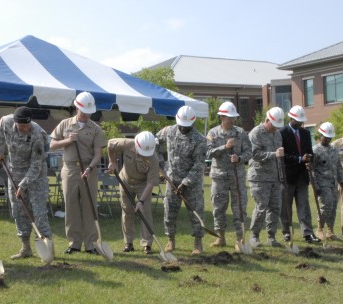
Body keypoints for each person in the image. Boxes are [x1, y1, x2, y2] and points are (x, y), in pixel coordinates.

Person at [50, 91, 107, 255]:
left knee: (89, 206)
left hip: (89, 168)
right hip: (69, 169)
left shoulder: (95, 128)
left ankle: (91, 244)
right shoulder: (65, 124)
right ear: (77, 108)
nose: (86, 115)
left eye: (89, 112)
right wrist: (68, 140)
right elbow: (52, 145)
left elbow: (98, 154)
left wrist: (90, 168)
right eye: (84, 112)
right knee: (71, 205)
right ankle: (74, 242)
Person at [0, 107, 52, 259]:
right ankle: (25, 248)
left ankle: (47, 248)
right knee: (19, 210)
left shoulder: (38, 135)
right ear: (15, 122)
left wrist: (23, 185)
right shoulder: (6, 122)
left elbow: (36, 165)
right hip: (14, 171)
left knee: (39, 212)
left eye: (27, 126)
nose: (26, 129)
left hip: (36, 175)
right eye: (22, 127)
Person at [156, 105, 207, 255]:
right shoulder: (169, 131)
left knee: (196, 212)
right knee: (169, 211)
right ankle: (170, 239)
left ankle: (198, 243)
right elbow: (155, 142)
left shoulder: (200, 140)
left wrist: (185, 183)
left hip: (192, 184)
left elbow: (199, 166)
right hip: (172, 180)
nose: (183, 129)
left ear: (193, 123)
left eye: (187, 126)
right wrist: (160, 163)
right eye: (181, 126)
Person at [206, 101, 252, 248]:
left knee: (239, 208)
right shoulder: (213, 133)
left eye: (233, 117)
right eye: (229, 117)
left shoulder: (240, 132)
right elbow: (208, 152)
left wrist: (239, 158)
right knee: (218, 207)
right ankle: (220, 237)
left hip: (237, 176)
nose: (232, 120)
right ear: (221, 117)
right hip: (219, 177)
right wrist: (224, 147)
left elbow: (249, 152)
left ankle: (240, 239)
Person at [106, 131, 159, 254]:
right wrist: (112, 161)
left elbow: (151, 183)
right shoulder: (125, 143)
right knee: (127, 211)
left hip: (143, 184)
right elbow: (110, 144)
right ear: (136, 145)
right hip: (125, 180)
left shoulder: (154, 159)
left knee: (145, 211)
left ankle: (147, 244)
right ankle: (128, 242)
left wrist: (141, 201)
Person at [279, 105, 321, 243]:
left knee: (304, 206)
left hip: (302, 176)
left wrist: (310, 158)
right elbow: (282, 156)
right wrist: (298, 159)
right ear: (291, 118)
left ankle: (308, 233)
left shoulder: (305, 133)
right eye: (297, 121)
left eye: (301, 121)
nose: (300, 123)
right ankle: (287, 231)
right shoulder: (282, 133)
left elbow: (309, 151)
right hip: (288, 176)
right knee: (286, 206)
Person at [247, 107, 285, 247]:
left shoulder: (278, 134)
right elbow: (254, 154)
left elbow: (279, 157)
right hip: (259, 177)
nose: (275, 128)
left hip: (274, 177)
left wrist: (281, 174)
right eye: (274, 125)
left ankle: (271, 236)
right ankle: (254, 236)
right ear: (267, 120)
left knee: (275, 207)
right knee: (261, 207)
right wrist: (273, 154)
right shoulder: (255, 133)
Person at [311, 122, 343, 240]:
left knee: (333, 206)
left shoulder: (334, 150)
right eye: (325, 136)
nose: (327, 139)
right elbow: (311, 170)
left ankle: (330, 230)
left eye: (329, 137)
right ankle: (319, 228)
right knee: (326, 205)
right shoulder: (315, 151)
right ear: (320, 135)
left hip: (333, 182)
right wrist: (315, 186)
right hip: (322, 184)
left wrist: (342, 180)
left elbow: (338, 167)